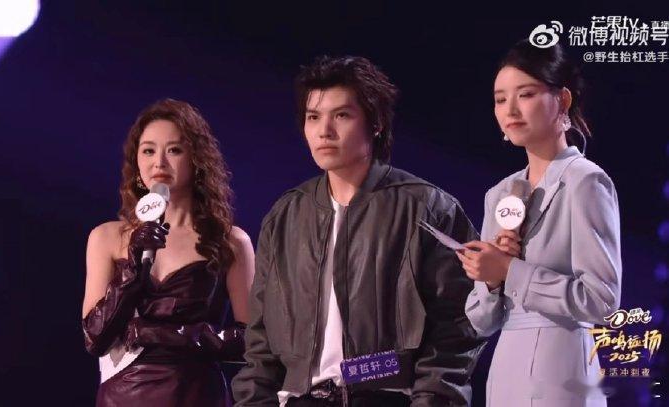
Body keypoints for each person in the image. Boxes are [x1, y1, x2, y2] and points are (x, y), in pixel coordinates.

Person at [232, 56, 485, 406]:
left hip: (387, 397)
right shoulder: (286, 216)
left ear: (376, 123)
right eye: (313, 117)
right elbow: (260, 340)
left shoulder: (426, 208)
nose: (324, 131)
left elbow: (457, 326)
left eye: (341, 115)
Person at [460, 40, 622, 406]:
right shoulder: (499, 194)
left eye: (526, 94)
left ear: (562, 100)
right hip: (505, 373)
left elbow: (602, 299)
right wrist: (490, 280)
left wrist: (510, 270)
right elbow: (481, 321)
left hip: (562, 370)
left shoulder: (585, 181)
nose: (510, 109)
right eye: (500, 99)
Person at [82, 98, 255, 406]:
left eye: (174, 150)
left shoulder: (231, 241)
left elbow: (254, 340)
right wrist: (134, 267)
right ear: (136, 161)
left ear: (197, 160)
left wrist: (171, 335)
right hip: (122, 397)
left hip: (195, 395)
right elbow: (95, 339)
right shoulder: (106, 237)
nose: (159, 162)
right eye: (148, 151)